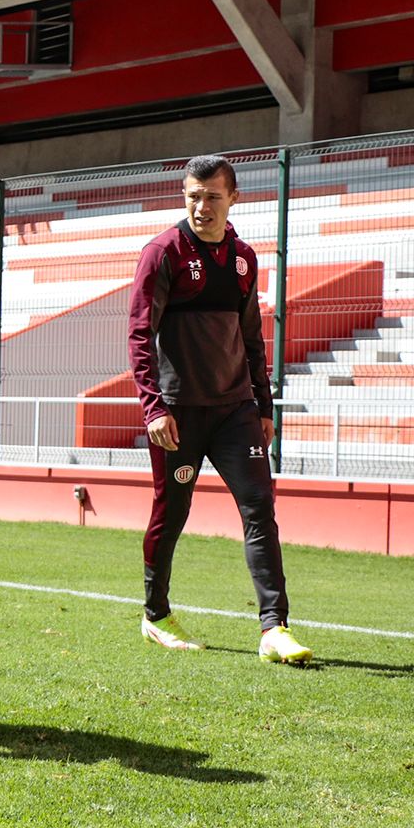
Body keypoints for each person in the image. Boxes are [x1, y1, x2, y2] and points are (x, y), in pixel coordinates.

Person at [127, 154, 311, 665]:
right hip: (178, 414)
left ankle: (274, 628)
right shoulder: (161, 253)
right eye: (192, 195)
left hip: (235, 412)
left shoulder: (245, 259)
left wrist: (264, 405)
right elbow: (140, 335)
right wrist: (153, 407)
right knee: (173, 512)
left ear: (234, 198)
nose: (201, 205)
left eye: (212, 196)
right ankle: (156, 614)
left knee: (259, 508)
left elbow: (252, 338)